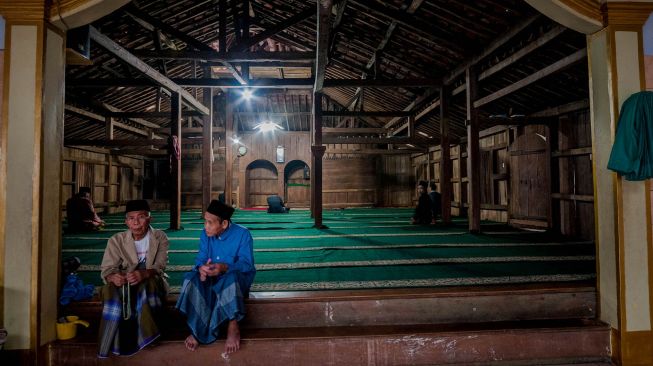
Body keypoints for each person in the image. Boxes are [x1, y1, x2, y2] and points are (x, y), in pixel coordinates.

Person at [176, 200, 256, 355]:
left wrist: (224, 267)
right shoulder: (205, 235)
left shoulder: (243, 234)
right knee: (190, 278)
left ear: (224, 224)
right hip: (211, 279)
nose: (205, 226)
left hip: (236, 281)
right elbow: (200, 259)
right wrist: (202, 269)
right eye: (205, 221)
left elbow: (247, 265)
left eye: (209, 223)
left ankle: (233, 325)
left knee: (230, 279)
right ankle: (197, 326)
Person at [97, 199, 169, 358]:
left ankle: (149, 336)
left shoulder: (159, 237)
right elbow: (108, 269)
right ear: (126, 222)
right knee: (110, 291)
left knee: (146, 286)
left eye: (141, 217)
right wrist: (113, 277)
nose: (136, 222)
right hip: (125, 282)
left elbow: (160, 266)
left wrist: (144, 273)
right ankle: (111, 341)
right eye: (131, 218)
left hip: (151, 280)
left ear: (149, 218)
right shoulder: (116, 240)